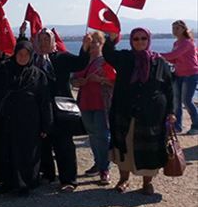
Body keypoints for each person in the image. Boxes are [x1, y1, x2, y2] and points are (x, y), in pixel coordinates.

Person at [103, 28, 175, 195]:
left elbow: (169, 89)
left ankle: (147, 183)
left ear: (148, 40)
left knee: (150, 149)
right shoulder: (124, 58)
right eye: (136, 39)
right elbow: (108, 54)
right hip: (125, 111)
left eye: (143, 38)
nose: (140, 41)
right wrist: (111, 39)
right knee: (124, 146)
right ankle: (124, 179)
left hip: (152, 115)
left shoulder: (159, 62)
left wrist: (171, 111)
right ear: (131, 40)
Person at [31, 28, 91, 192]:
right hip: (41, 109)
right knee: (43, 143)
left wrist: (85, 47)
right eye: (41, 40)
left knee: (64, 144)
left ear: (53, 42)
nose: (43, 43)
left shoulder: (62, 57)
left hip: (60, 108)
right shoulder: (33, 59)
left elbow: (80, 63)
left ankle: (68, 180)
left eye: (46, 39)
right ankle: (47, 174)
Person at [0, 41, 52, 196]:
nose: (23, 57)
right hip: (9, 119)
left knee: (27, 154)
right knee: (7, 152)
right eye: (20, 54)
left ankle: (26, 184)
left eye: (26, 54)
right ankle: (8, 182)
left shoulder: (38, 75)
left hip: (30, 122)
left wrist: (46, 125)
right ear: (15, 54)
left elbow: (45, 101)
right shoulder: (5, 70)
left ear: (31, 56)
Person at [71, 31, 116, 185]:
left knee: (102, 136)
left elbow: (115, 82)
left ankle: (105, 168)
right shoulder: (82, 61)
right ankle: (98, 163)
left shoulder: (106, 62)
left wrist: (101, 79)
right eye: (90, 42)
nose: (92, 45)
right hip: (85, 103)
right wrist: (78, 82)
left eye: (95, 41)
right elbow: (73, 80)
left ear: (102, 43)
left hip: (102, 103)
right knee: (92, 135)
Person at [160, 20, 198, 135]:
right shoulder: (176, 44)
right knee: (176, 102)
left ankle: (196, 125)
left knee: (186, 100)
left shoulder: (187, 43)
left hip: (190, 74)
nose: (174, 31)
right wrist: (163, 58)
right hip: (178, 74)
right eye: (173, 28)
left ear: (183, 29)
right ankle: (177, 126)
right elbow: (173, 59)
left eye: (177, 28)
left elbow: (173, 55)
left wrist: (156, 55)